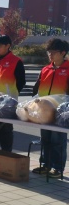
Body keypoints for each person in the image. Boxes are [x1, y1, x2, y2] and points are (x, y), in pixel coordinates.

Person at [31, 39, 69, 178]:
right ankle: (46, 165)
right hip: (44, 112)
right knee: (45, 139)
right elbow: (36, 89)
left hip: (60, 113)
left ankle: (57, 168)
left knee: (58, 140)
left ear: (63, 53)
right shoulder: (45, 69)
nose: (50, 55)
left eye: (53, 52)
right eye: (49, 52)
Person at [0, 34, 26, 151]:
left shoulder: (16, 61)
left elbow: (21, 82)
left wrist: (10, 95)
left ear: (8, 46)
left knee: (5, 130)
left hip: (6, 104)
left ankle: (6, 155)